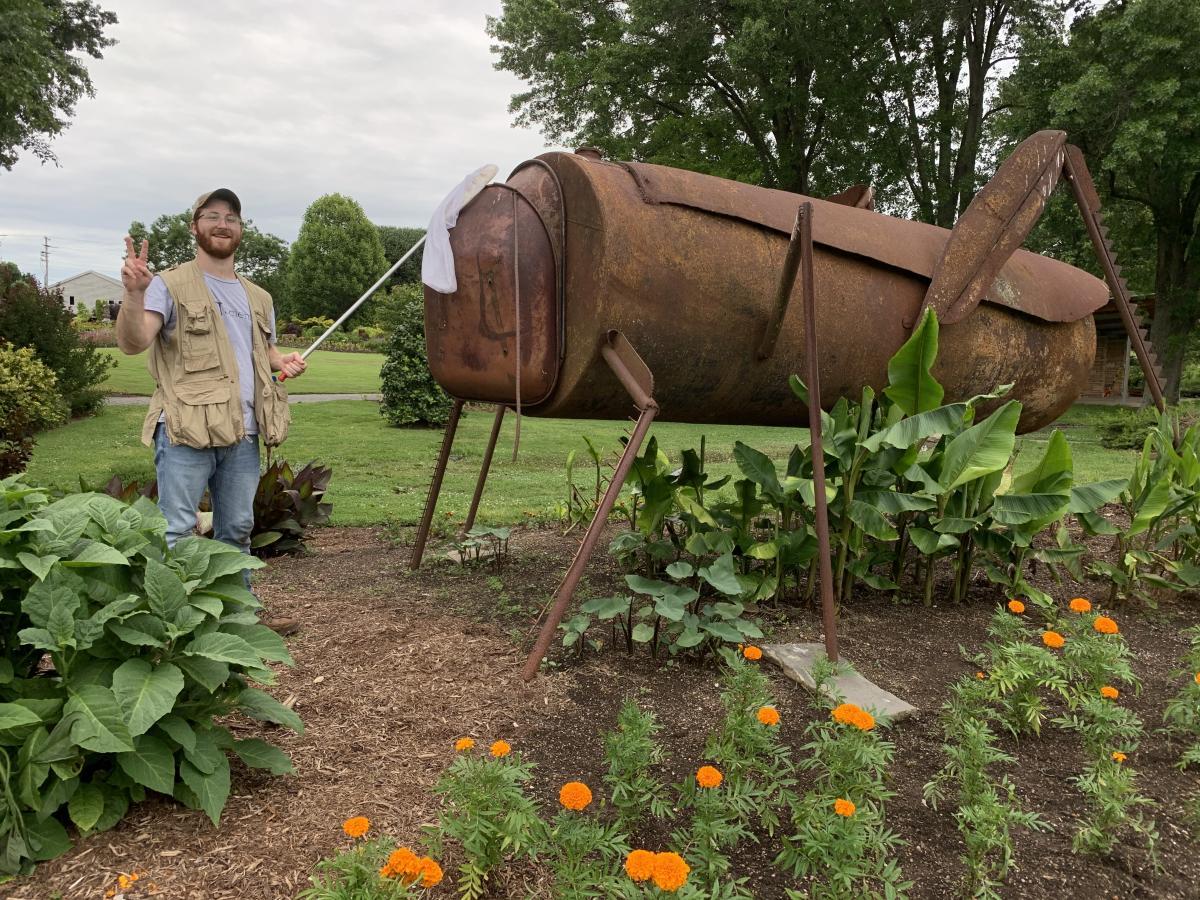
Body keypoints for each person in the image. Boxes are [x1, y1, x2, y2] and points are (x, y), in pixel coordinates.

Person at [117, 188, 306, 634]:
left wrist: (284, 363)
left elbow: (266, 349)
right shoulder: (168, 284)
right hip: (185, 430)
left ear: (241, 230)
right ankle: (181, 624)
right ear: (195, 226)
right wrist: (133, 293)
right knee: (178, 530)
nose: (223, 224)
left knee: (237, 528)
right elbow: (133, 342)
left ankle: (239, 616)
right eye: (212, 216)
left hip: (243, 431)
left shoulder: (258, 295)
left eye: (232, 218)